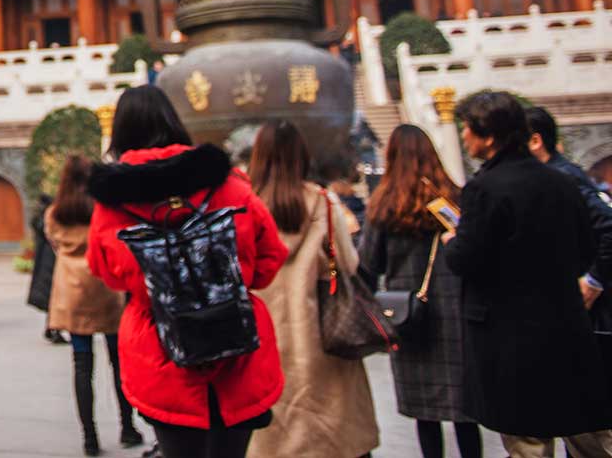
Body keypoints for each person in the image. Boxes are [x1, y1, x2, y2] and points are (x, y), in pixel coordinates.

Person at [87, 85, 288, 458]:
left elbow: (106, 272)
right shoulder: (228, 184)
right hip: (238, 344)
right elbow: (270, 258)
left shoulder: (112, 203)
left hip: (160, 351)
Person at [445, 91, 612, 456]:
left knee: (528, 441)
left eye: (467, 129)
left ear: (488, 136)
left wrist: (451, 241)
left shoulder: (484, 189)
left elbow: (465, 259)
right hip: (565, 323)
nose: (463, 137)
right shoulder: (562, 181)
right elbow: (586, 248)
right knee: (583, 426)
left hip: (509, 336)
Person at [244, 120, 378, 458]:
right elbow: (347, 263)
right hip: (322, 335)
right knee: (333, 433)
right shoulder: (322, 202)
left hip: (263, 340)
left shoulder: (244, 206)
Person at [358, 124, 480, 458]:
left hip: (408, 314)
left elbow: (370, 262)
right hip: (456, 310)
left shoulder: (384, 205)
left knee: (424, 412)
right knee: (464, 411)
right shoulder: (454, 197)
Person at [45, 155, 140, 455]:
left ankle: (90, 437)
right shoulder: (102, 209)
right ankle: (127, 426)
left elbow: (54, 244)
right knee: (117, 362)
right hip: (105, 288)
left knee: (82, 364)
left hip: (72, 293)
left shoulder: (55, 214)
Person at [525, 105, 612, 404]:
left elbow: (608, 227)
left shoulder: (563, 177)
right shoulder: (552, 174)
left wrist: (594, 279)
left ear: (536, 141)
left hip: (587, 303)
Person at [28, 193, 66, 344]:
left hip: (43, 260)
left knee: (52, 296)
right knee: (55, 296)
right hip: (51, 261)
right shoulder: (49, 219)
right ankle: (54, 328)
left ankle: (52, 328)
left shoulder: (39, 219)